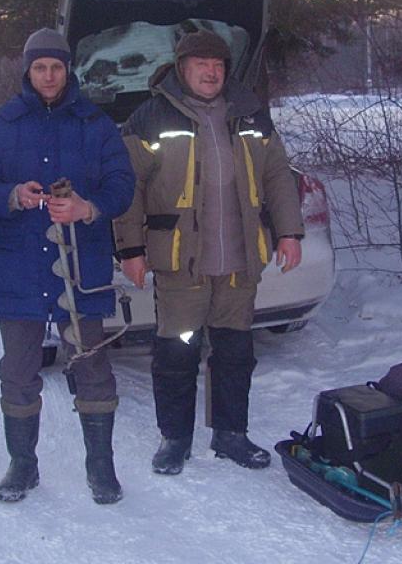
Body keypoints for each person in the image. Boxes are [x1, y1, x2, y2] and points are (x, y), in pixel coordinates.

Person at [114, 28, 304, 475]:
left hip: (240, 261)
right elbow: (129, 187)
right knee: (178, 351)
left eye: (218, 65)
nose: (211, 72)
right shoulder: (152, 117)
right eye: (201, 64)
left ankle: (230, 434)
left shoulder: (251, 115)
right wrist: (132, 249)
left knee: (235, 351)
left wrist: (289, 232)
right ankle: (175, 439)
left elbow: (278, 175)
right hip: (182, 261)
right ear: (182, 68)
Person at [0, 28, 135, 505]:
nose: (48, 76)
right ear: (27, 71)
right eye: (39, 67)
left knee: (93, 366)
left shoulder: (95, 124)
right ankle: (23, 465)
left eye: (56, 67)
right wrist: (12, 195)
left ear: (68, 70)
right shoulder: (2, 125)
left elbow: (123, 185)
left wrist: (88, 208)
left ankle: (101, 466)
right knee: (18, 370)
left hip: (80, 265)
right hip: (18, 265)